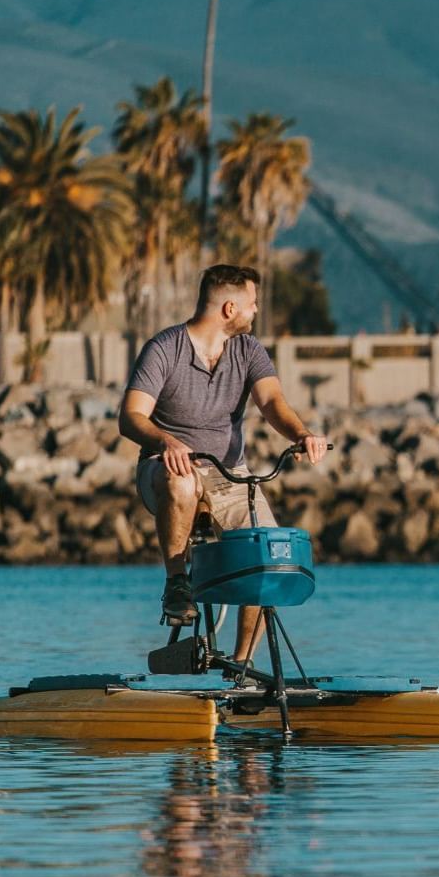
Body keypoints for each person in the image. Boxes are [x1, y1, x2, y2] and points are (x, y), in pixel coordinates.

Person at [119, 264, 329, 660]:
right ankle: (177, 584)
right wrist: (167, 441)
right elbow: (130, 416)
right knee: (180, 481)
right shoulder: (165, 349)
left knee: (269, 555)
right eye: (253, 304)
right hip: (165, 470)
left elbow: (272, 403)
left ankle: (242, 667)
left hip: (230, 476)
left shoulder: (249, 350)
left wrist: (301, 434)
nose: (256, 311)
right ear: (230, 308)